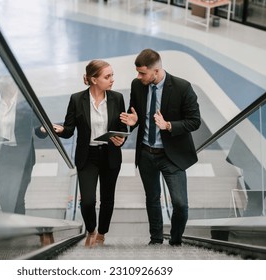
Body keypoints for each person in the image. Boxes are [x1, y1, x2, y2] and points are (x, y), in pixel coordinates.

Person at [120, 49, 201, 246]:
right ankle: (155, 240)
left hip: (171, 156)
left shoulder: (182, 87)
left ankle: (175, 240)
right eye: (137, 73)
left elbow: (194, 121)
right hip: (147, 153)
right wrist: (133, 121)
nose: (138, 77)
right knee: (152, 199)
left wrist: (169, 126)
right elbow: (136, 114)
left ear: (156, 71)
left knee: (181, 204)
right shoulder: (137, 85)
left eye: (142, 73)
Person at [53, 60, 127, 247]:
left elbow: (122, 128)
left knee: (107, 198)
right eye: (107, 76)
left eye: (112, 75)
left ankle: (101, 233)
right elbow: (70, 129)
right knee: (87, 200)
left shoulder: (117, 98)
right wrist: (60, 130)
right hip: (88, 155)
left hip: (110, 154)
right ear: (94, 79)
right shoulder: (77, 99)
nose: (112, 80)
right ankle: (91, 229)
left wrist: (122, 139)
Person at [0, 75, 47, 214]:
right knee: (6, 199)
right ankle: (14, 229)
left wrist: (43, 129)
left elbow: (39, 128)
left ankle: (17, 229)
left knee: (17, 198)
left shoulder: (28, 100)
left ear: (10, 78)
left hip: (22, 155)